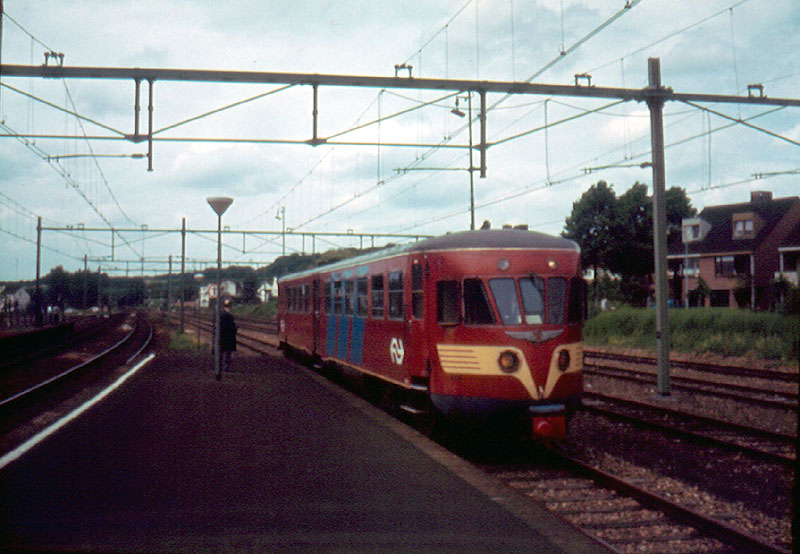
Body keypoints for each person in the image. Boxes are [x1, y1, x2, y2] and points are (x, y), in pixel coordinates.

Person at [219, 297, 237, 374]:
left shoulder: (221, 315)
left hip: (222, 336)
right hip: (228, 337)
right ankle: (225, 367)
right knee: (227, 353)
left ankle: (222, 367)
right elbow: (231, 327)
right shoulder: (229, 316)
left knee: (222, 352)